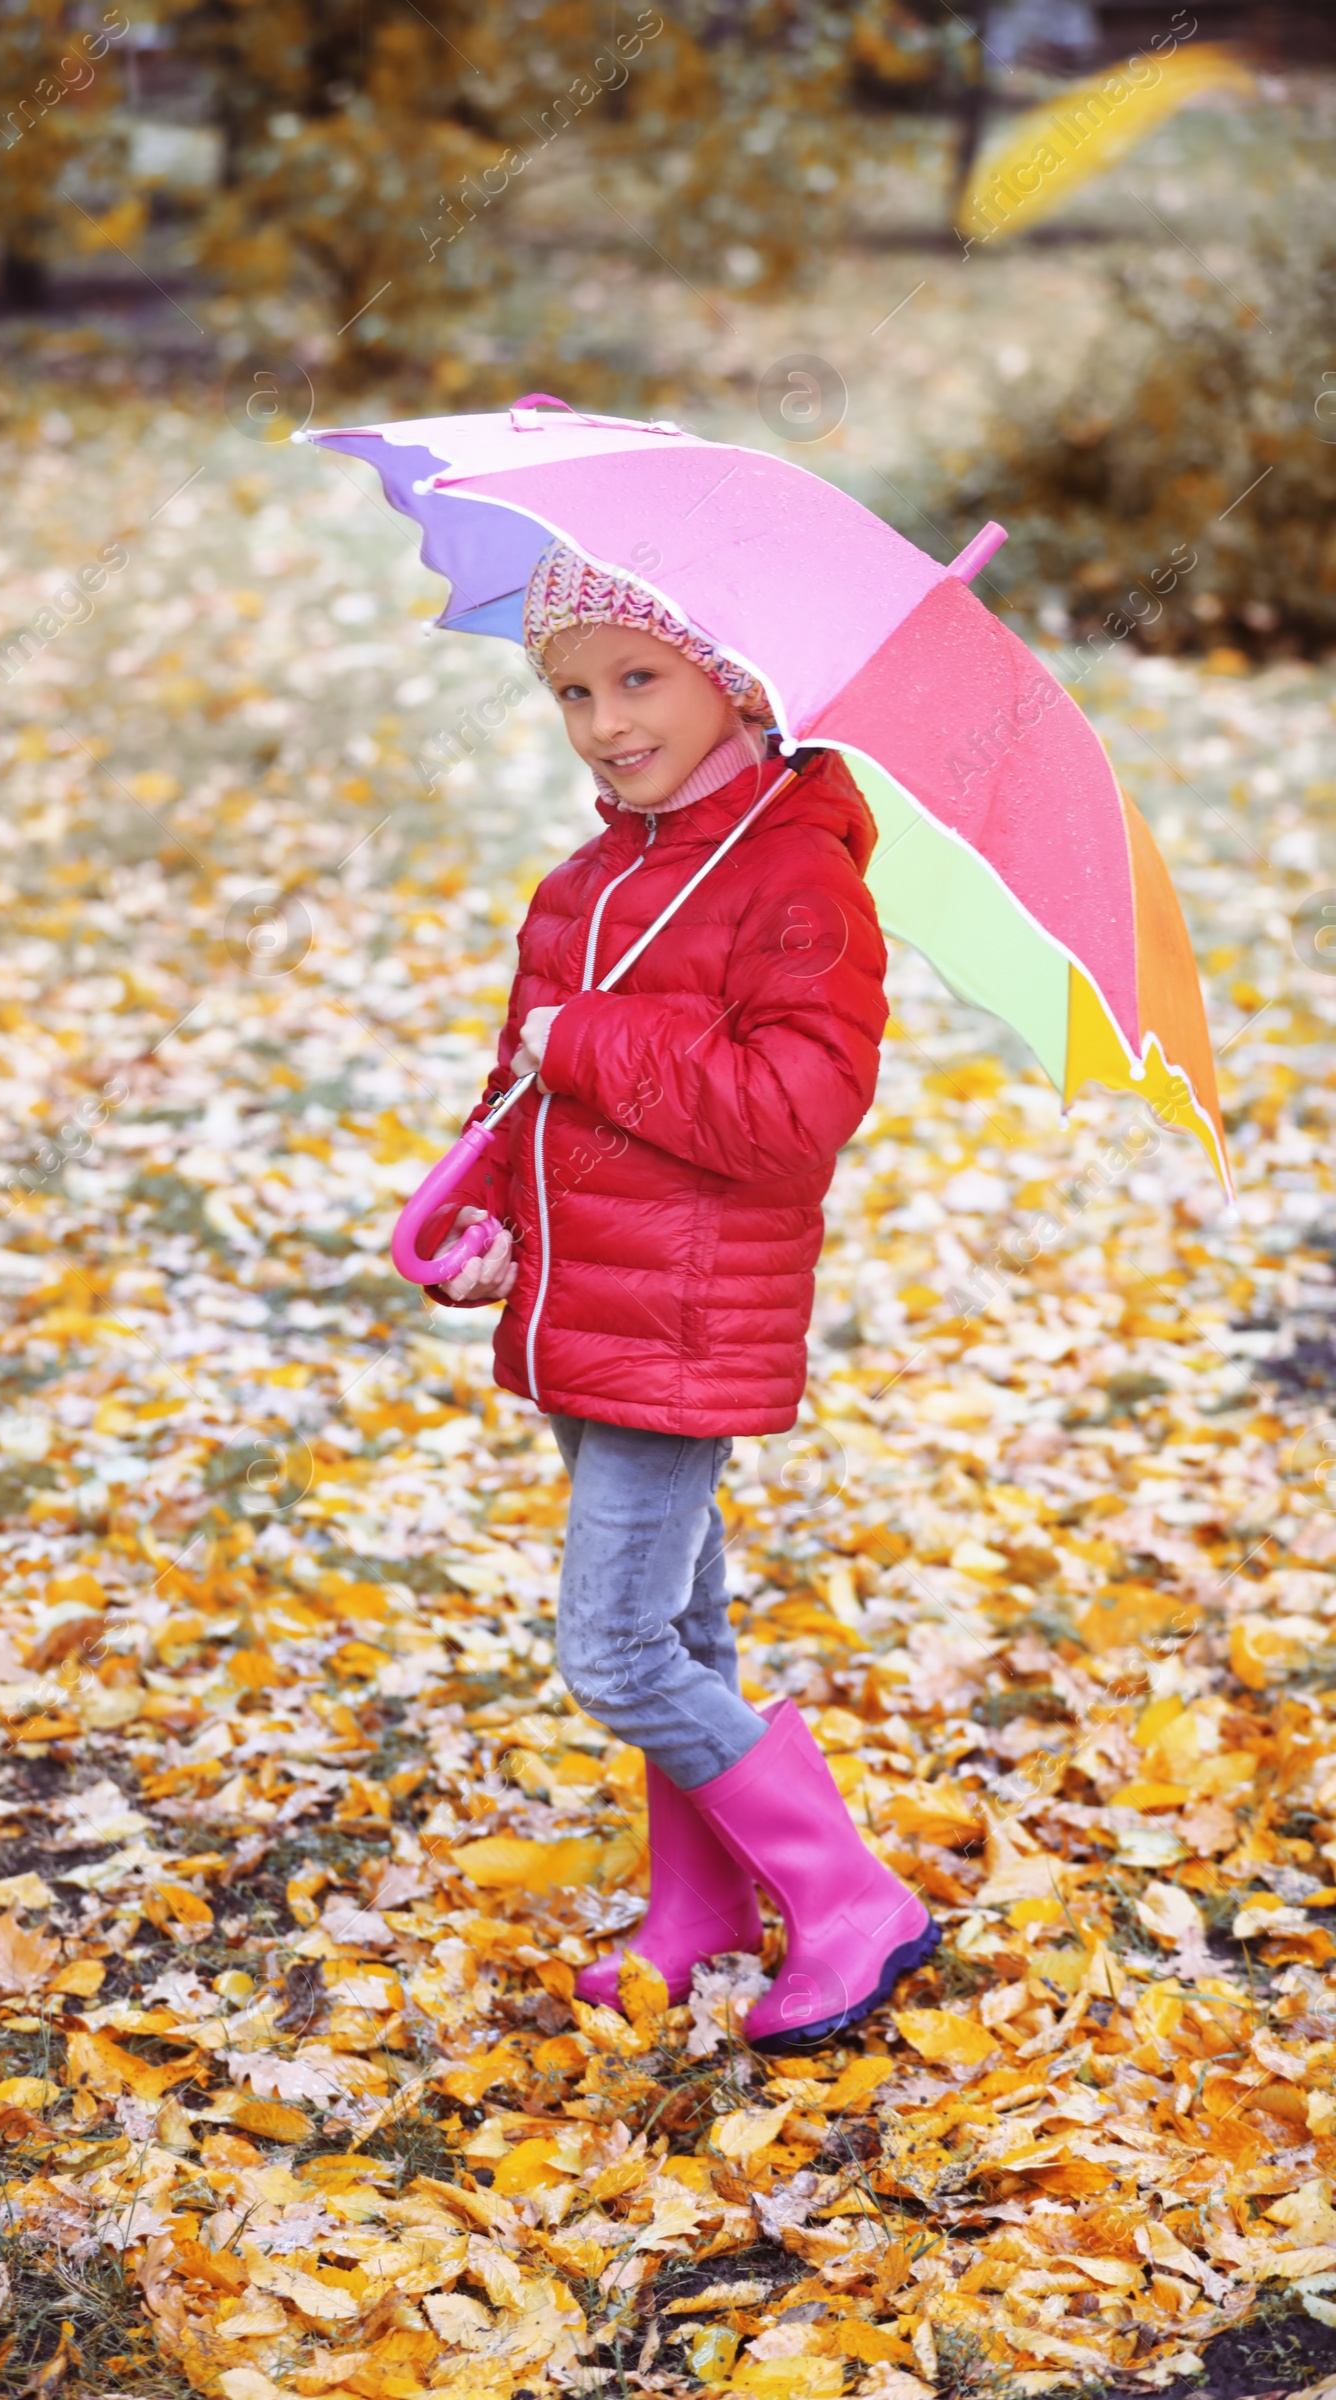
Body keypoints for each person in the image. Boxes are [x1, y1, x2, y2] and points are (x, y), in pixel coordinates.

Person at [428, 541, 933, 2050]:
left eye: (639, 678)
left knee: (620, 1650)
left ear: (734, 679)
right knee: (686, 1642)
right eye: (570, 690)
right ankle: (703, 1908)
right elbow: (522, 1096)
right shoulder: (585, 885)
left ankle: (851, 1897)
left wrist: (588, 1043)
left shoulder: (794, 880)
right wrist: (489, 1225)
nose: (603, 721)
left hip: (686, 1320)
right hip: (584, 1310)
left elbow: (792, 1115)